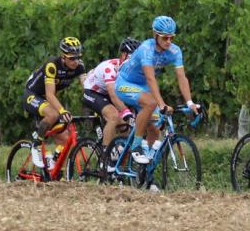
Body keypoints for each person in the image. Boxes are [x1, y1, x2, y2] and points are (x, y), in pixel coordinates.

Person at [115, 17, 201, 166]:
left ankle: (147, 174)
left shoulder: (175, 51)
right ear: (155, 35)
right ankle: (136, 146)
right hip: (125, 82)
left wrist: (190, 102)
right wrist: (161, 104)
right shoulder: (146, 49)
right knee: (151, 103)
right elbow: (150, 78)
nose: (169, 41)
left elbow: (181, 77)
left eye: (172, 37)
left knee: (155, 127)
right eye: (165, 38)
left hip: (142, 86)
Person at [23, 37, 86, 166]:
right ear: (63, 57)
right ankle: (36, 145)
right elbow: (50, 94)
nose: (76, 61)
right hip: (33, 95)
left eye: (78, 57)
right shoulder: (52, 65)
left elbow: (87, 88)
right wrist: (62, 110)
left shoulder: (80, 67)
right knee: (53, 114)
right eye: (72, 58)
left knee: (65, 138)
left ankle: (55, 169)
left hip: (47, 98)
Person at [82, 37, 139, 157]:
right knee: (114, 116)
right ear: (123, 55)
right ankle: (106, 156)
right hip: (92, 92)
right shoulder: (110, 68)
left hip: (107, 94)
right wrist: (126, 112)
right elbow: (113, 95)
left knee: (125, 126)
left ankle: (121, 159)